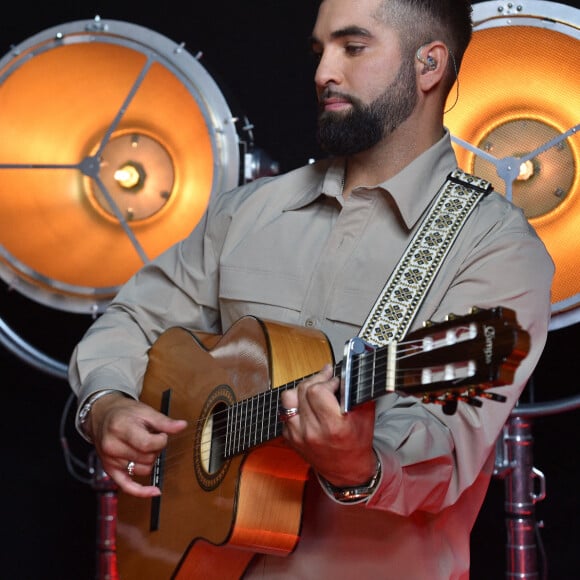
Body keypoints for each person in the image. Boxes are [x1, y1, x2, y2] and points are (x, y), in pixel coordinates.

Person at [68, 0, 554, 578]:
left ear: (430, 66)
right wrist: (106, 405)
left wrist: (357, 465)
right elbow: (130, 320)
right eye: (319, 50)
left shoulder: (494, 245)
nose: (324, 72)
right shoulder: (248, 211)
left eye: (352, 48)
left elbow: (446, 443)